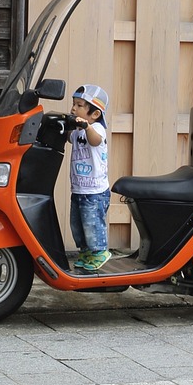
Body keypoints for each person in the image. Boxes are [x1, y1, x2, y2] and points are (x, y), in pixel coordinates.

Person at [67, 84, 111, 271]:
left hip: (95, 191)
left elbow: (95, 141)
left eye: (79, 105)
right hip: (78, 188)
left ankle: (99, 251)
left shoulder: (97, 129)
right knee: (78, 224)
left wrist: (86, 127)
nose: (74, 108)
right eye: (73, 104)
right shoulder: (77, 131)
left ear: (94, 114)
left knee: (92, 224)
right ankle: (86, 252)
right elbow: (69, 137)